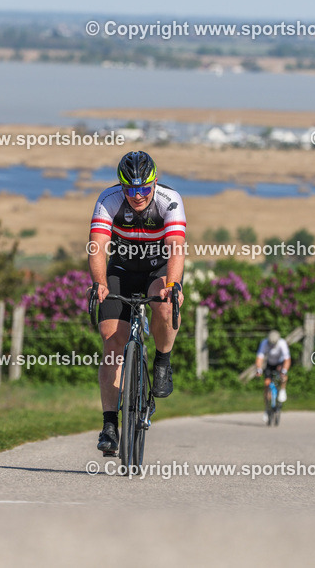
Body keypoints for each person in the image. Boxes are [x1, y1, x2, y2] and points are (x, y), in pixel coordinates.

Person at [89, 150, 186, 454]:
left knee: (167, 305)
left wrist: (172, 285)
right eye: (131, 189)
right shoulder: (109, 200)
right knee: (111, 340)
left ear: (154, 183)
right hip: (121, 270)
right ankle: (109, 425)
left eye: (144, 188)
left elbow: (176, 246)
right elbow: (98, 246)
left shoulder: (169, 200)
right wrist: (100, 284)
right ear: (121, 186)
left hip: (158, 268)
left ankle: (162, 361)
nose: (138, 195)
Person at [255, 330, 290, 422]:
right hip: (270, 364)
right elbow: (260, 358)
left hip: (280, 363)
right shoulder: (264, 343)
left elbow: (287, 359)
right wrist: (258, 369)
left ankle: (282, 390)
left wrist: (284, 370)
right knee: (267, 383)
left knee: (283, 376)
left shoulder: (282, 343)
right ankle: (267, 408)